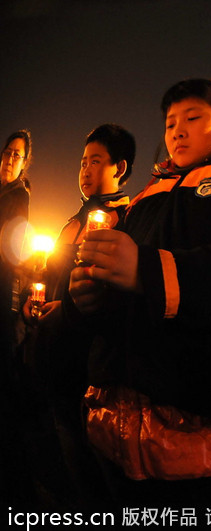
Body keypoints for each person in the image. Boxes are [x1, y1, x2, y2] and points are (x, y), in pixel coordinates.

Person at [67, 77, 211, 510]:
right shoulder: (148, 195)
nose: (177, 131)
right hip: (119, 416)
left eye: (192, 118)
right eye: (170, 124)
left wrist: (146, 270)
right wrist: (91, 299)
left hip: (204, 420)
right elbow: (120, 289)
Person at [19, 124, 135, 508]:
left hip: (84, 365)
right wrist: (33, 299)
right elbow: (51, 274)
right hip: (51, 354)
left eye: (96, 161)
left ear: (120, 167)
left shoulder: (123, 218)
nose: (85, 170)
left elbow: (108, 293)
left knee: (88, 467)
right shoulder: (77, 217)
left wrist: (64, 310)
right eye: (83, 162)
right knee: (57, 455)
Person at [0, 129, 33, 504]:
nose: (9, 159)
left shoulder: (18, 195)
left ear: (25, 164)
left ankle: (18, 489)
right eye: (7, 152)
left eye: (17, 155)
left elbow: (11, 247)